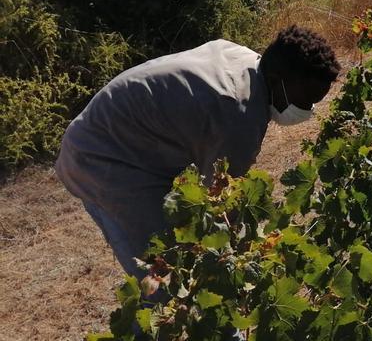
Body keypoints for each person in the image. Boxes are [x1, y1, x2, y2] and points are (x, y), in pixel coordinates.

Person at [55, 25, 340, 280]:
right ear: (279, 78)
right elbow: (221, 206)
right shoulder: (236, 115)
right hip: (102, 161)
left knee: (180, 267)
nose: (307, 111)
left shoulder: (243, 58)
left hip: (111, 139)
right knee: (166, 280)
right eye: (305, 101)